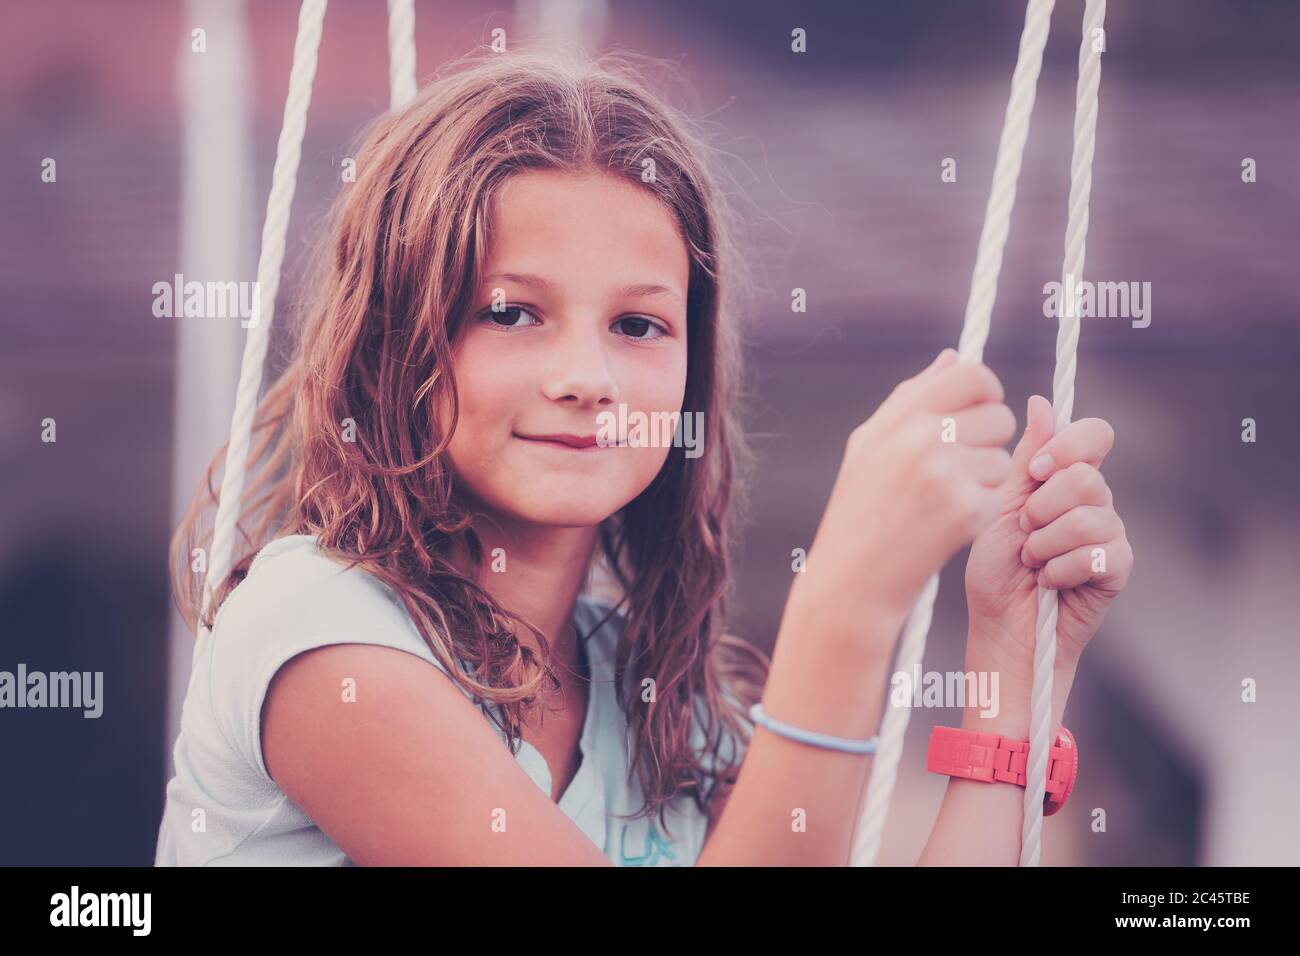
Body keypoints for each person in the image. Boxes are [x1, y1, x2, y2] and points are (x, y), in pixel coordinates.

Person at [155, 44, 1133, 866]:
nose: (587, 375)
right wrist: (846, 603)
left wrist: (1012, 660)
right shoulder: (317, 633)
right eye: (511, 311)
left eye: (637, 323)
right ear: (394, 342)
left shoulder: (661, 710)